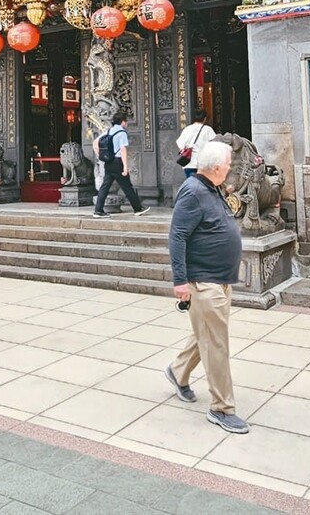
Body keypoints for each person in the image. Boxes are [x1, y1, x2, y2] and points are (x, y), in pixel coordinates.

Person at [167, 141, 248, 434]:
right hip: (203, 281)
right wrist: (180, 281)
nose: (230, 167)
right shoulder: (193, 192)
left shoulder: (211, 188)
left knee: (207, 334)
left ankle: (178, 371)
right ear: (216, 167)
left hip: (220, 278)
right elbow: (177, 237)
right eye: (228, 164)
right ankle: (222, 408)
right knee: (216, 344)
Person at [93, 112, 150, 219]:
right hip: (118, 162)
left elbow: (96, 143)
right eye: (126, 121)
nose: (127, 123)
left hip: (109, 162)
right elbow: (123, 150)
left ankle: (98, 210)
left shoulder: (109, 131)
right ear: (123, 121)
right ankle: (137, 208)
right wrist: (125, 167)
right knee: (127, 186)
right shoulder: (122, 133)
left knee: (104, 187)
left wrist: (99, 155)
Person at [174, 110, 216, 179]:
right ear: (205, 118)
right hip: (203, 163)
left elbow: (180, 144)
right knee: (203, 185)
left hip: (189, 163)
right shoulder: (208, 130)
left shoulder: (187, 129)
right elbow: (214, 144)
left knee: (192, 184)